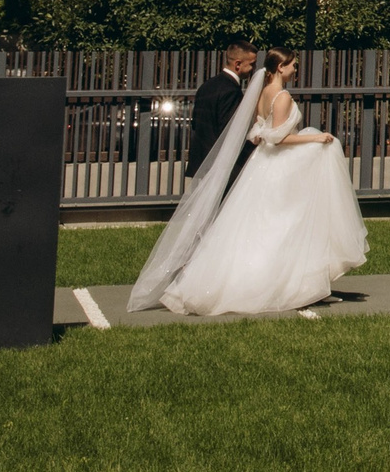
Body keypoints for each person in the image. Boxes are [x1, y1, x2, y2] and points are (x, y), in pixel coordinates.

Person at [128, 50, 368, 316]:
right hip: (278, 167)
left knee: (260, 226)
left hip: (262, 166)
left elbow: (259, 133)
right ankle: (285, 284)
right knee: (284, 226)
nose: (295, 70)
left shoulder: (263, 94)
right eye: (292, 65)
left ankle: (290, 282)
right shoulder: (282, 96)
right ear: (280, 68)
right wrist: (316, 138)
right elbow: (277, 139)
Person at [185, 42, 257, 181]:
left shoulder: (207, 85)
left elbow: (195, 123)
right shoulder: (231, 91)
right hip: (220, 164)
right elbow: (231, 130)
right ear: (238, 64)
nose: (253, 69)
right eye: (251, 64)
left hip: (202, 160)